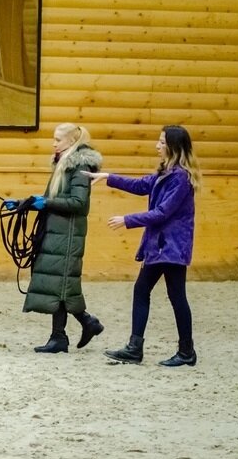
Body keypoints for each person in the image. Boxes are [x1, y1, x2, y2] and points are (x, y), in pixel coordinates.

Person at [83, 125, 201, 367]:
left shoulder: (179, 178)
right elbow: (141, 185)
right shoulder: (166, 173)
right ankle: (141, 348)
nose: (157, 146)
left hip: (170, 246)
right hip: (161, 245)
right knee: (149, 291)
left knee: (173, 295)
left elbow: (162, 212)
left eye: (161, 142)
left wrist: (127, 220)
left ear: (172, 147)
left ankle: (182, 351)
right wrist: (108, 178)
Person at [4, 123, 104, 353]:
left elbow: (79, 203)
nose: (54, 143)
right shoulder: (64, 166)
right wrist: (23, 204)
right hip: (56, 232)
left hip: (67, 234)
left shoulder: (79, 168)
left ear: (71, 141)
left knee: (60, 284)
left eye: (58, 140)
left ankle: (61, 336)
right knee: (58, 283)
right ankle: (83, 324)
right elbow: (54, 197)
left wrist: (45, 203)